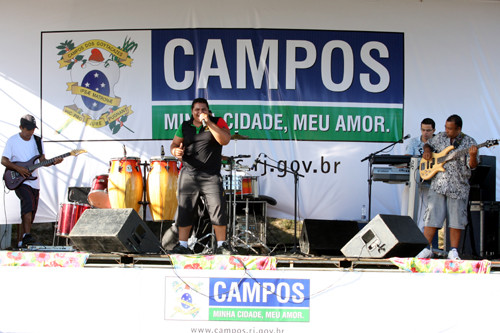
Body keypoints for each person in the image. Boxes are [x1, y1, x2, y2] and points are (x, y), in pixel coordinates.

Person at [169, 98, 233, 255]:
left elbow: (224, 140)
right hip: (188, 173)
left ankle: (221, 245)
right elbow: (174, 144)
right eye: (197, 109)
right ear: (192, 111)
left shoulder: (218, 121)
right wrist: (174, 151)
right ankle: (183, 245)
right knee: (185, 209)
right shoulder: (185, 126)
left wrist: (209, 122)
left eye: (203, 109)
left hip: (210, 175)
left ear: (208, 110)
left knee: (217, 207)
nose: (200, 112)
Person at [417, 114, 478, 260]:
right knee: (432, 216)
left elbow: (473, 166)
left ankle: (453, 250)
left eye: (450, 129)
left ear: (459, 129)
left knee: (457, 219)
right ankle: (426, 248)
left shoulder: (469, 142)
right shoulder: (441, 137)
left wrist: (473, 156)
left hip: (458, 186)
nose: (447, 130)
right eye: (445, 127)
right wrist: (427, 150)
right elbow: (428, 143)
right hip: (438, 184)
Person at [2, 114, 63, 248]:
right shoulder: (13, 140)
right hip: (19, 179)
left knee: (32, 208)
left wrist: (53, 162)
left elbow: (42, 161)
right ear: (21, 127)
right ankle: (27, 236)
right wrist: (19, 169)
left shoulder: (37, 140)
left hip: (34, 179)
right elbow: (4, 160)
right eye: (28, 129)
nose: (31, 132)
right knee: (28, 202)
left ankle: (23, 239)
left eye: (32, 129)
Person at [404, 118, 436, 232]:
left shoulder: (438, 142)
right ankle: (408, 233)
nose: (425, 133)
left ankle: (423, 238)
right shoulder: (413, 142)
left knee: (426, 213)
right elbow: (406, 160)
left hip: (430, 182)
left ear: (434, 130)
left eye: (428, 130)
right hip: (414, 180)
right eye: (423, 130)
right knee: (408, 210)